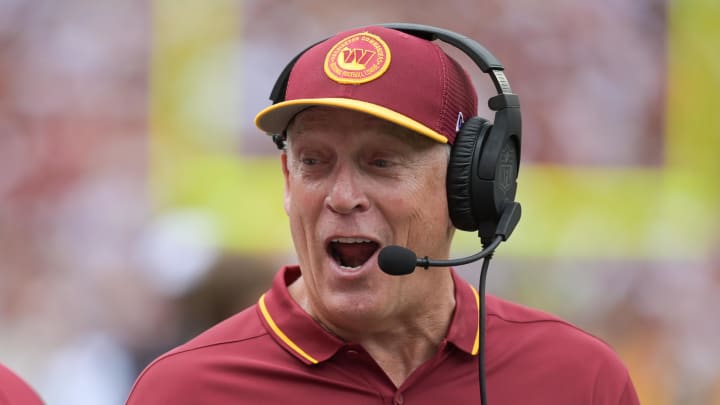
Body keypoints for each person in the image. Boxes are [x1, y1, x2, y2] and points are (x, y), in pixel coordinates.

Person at [125, 24, 640, 404]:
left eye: (381, 162)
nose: (343, 196)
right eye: (314, 162)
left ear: (469, 184)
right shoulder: (183, 390)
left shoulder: (579, 378)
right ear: (287, 180)